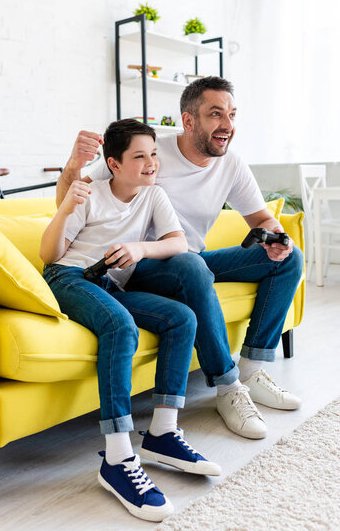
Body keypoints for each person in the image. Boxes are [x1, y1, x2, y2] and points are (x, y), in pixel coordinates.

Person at [56, 76, 304, 443]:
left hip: (191, 263)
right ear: (188, 121)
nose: (228, 125)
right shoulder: (148, 152)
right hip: (136, 266)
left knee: (289, 258)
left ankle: (252, 369)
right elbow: (69, 200)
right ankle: (227, 386)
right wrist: (72, 164)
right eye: (216, 114)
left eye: (232, 114)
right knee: (192, 264)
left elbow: (260, 219)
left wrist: (276, 237)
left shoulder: (230, 164)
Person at [41, 119, 221, 523]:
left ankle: (162, 432)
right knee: (121, 326)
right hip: (70, 277)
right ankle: (118, 458)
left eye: (153, 154)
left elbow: (177, 242)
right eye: (139, 156)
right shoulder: (90, 193)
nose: (151, 163)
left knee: (182, 318)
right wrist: (68, 206)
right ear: (114, 164)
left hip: (111, 283)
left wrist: (141, 249)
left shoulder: (153, 195)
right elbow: (49, 255)